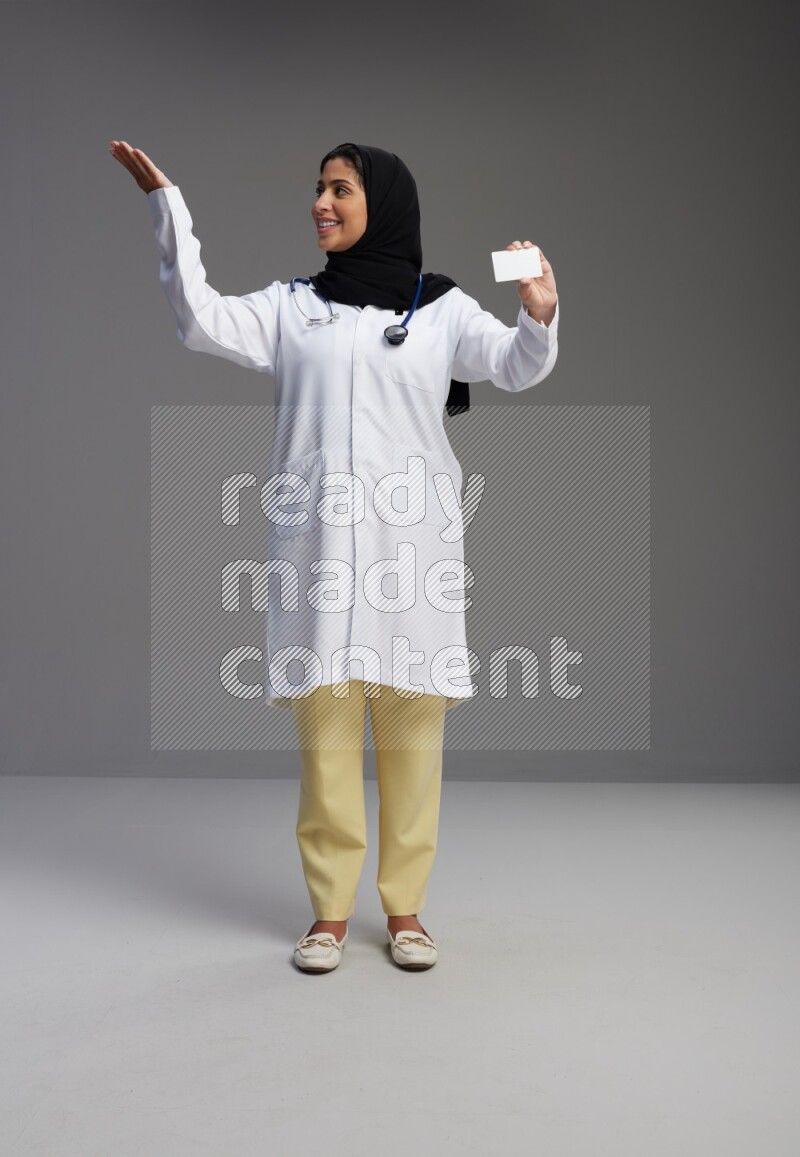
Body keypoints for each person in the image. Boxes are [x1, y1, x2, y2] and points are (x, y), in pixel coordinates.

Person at [109, 138, 560, 973]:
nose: (321, 201)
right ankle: (328, 914)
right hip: (317, 554)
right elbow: (200, 318)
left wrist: (538, 312)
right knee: (326, 741)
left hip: (410, 554)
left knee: (413, 742)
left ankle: (406, 910)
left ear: (381, 204)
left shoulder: (439, 309)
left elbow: (513, 366)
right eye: (319, 187)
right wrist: (168, 208)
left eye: (341, 188)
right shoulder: (293, 307)